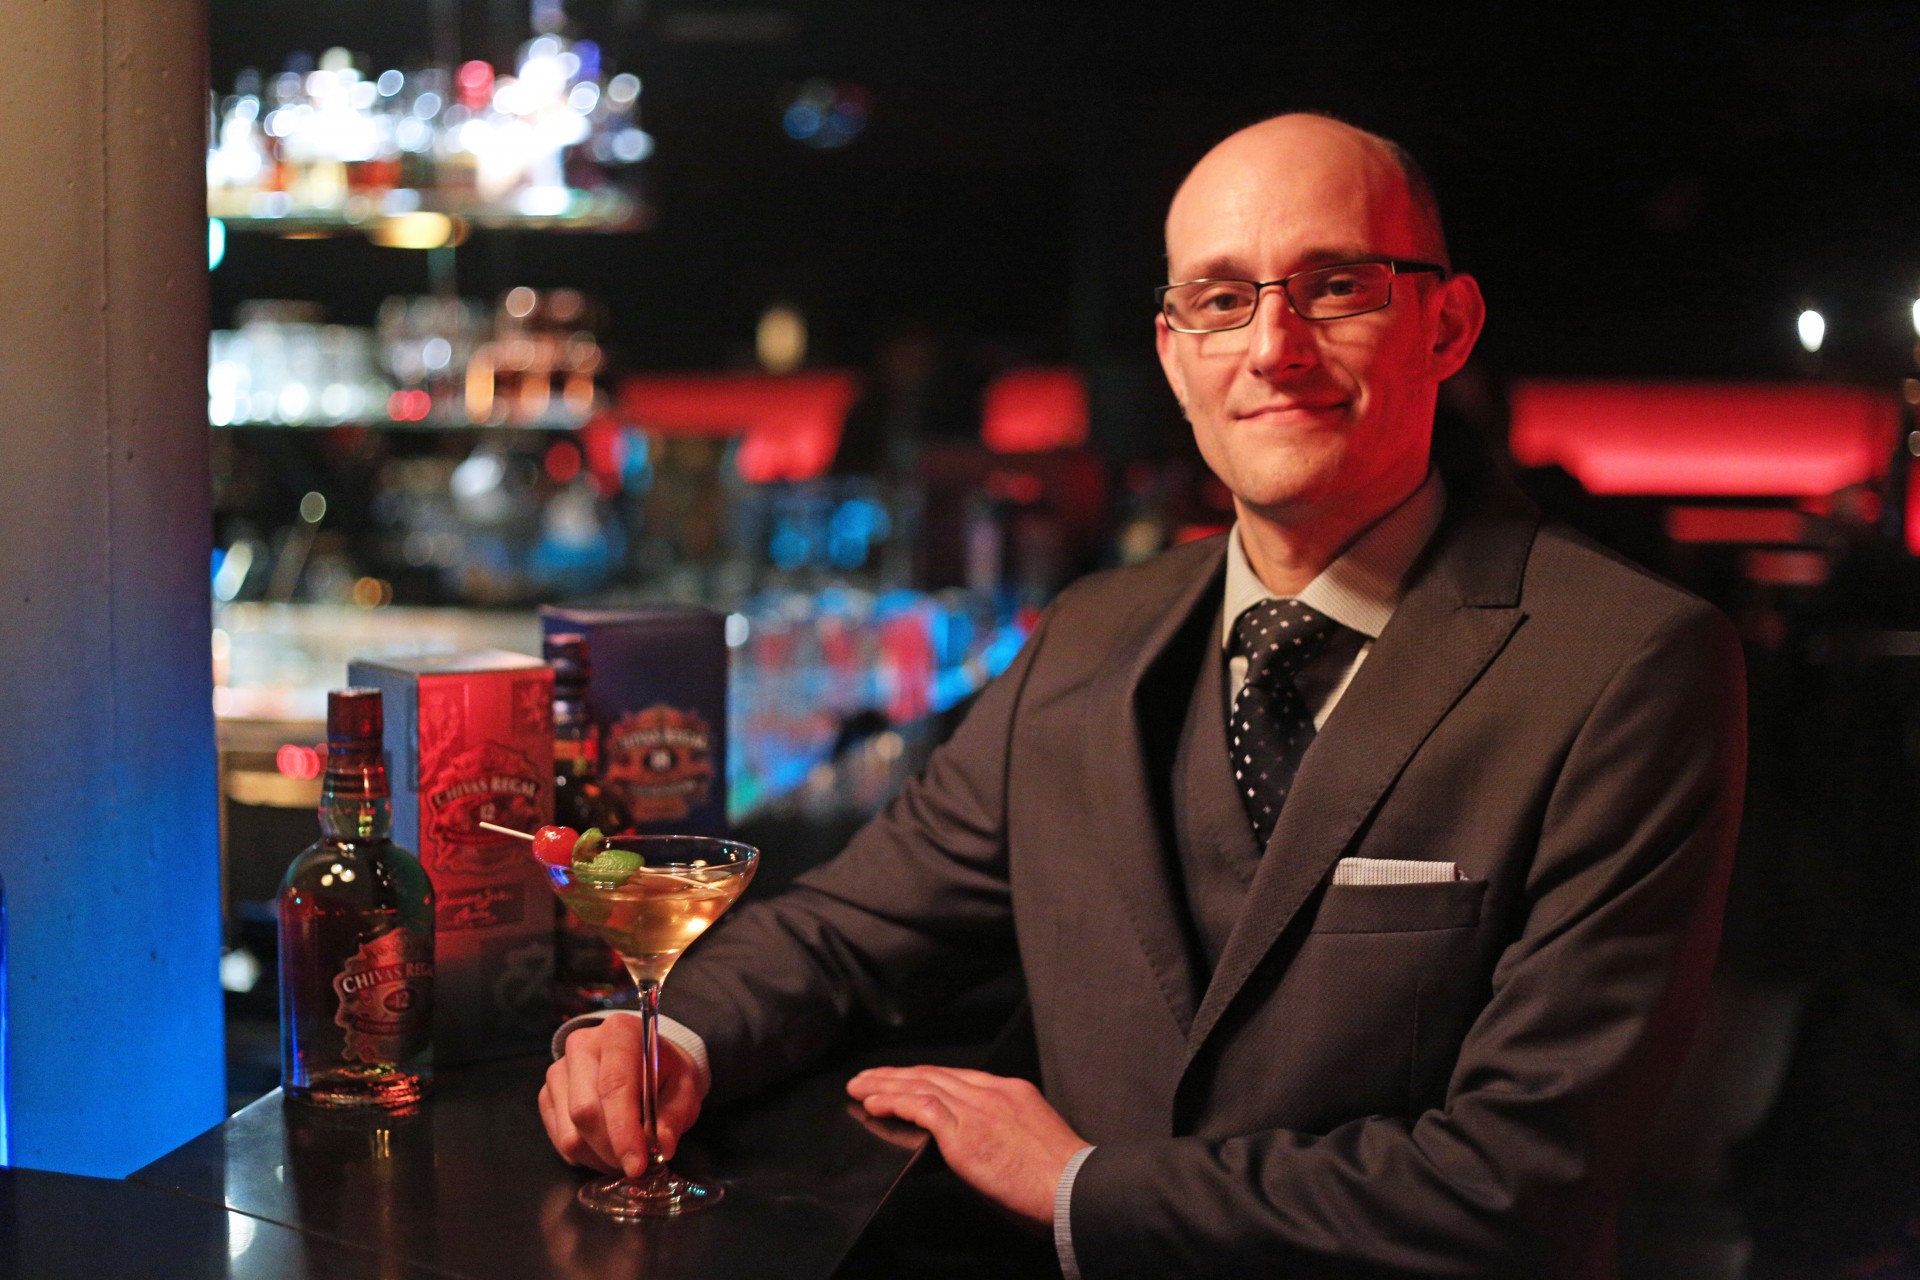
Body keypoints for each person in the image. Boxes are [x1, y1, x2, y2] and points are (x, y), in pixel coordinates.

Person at [540, 113, 1746, 1278]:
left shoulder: (1625, 665)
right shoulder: (1089, 634)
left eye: (1336, 286)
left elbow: (1519, 1180)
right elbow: (847, 930)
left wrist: (1083, 1188)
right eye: (1222, 300)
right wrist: (662, 1038)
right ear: (1173, 355)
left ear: (1448, 324)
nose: (1274, 348)